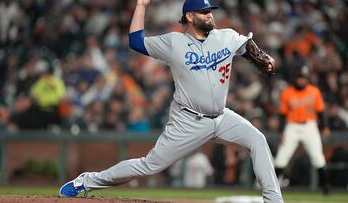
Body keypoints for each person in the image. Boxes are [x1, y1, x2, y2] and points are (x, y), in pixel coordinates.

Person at [59, 0, 283, 202]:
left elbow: (249, 49)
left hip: (222, 117)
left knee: (257, 140)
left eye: (210, 11)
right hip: (188, 120)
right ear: (189, 16)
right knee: (149, 165)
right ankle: (87, 181)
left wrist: (265, 59)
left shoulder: (226, 36)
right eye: (203, 12)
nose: (209, 15)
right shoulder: (173, 42)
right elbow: (136, 42)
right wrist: (141, 6)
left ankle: (274, 200)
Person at [274, 64, 331, 194]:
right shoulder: (287, 92)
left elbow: (321, 112)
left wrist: (325, 126)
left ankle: (326, 186)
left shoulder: (314, 91)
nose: (302, 80)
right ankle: (273, 187)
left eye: (304, 78)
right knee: (282, 158)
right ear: (295, 78)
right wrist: (281, 131)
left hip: (309, 126)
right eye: (300, 78)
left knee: (318, 158)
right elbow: (282, 115)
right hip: (292, 126)